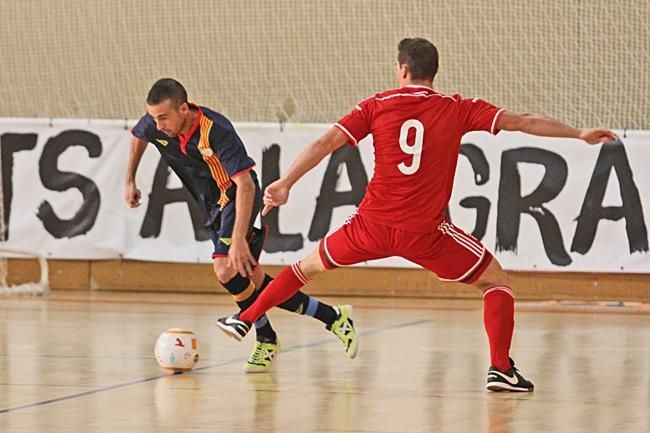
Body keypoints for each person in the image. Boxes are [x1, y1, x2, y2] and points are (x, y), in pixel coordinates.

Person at [216, 38, 618, 391]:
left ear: (402, 69)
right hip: (426, 233)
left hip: (369, 225)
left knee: (304, 268)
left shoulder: (376, 105)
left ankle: (246, 317)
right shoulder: (458, 108)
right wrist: (578, 133)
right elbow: (524, 122)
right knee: (497, 283)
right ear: (433, 72)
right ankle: (501, 369)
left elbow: (326, 142)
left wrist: (286, 182)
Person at [126, 78, 359, 373]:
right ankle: (332, 317)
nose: (157, 125)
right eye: (154, 117)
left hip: (237, 199)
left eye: (163, 117)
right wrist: (130, 179)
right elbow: (139, 134)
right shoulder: (157, 124)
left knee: (225, 268)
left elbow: (246, 185)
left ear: (183, 109)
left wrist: (237, 240)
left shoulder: (216, 131)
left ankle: (264, 335)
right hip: (212, 206)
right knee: (255, 281)